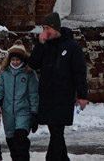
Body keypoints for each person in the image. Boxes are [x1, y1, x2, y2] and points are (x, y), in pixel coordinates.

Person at [29, 12, 88, 161]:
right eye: (43, 28)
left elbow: (79, 72)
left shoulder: (71, 46)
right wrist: (40, 44)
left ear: (55, 28)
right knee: (55, 131)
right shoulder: (45, 46)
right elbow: (33, 64)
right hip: (47, 95)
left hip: (63, 96)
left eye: (47, 28)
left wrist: (82, 95)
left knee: (57, 131)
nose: (45, 31)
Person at [0, 43, 39, 161]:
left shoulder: (29, 73)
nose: (15, 62)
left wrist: (35, 113)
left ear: (23, 60)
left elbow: (33, 94)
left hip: (23, 111)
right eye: (13, 59)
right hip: (8, 112)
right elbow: (0, 91)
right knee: (11, 141)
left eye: (18, 60)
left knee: (20, 139)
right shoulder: (5, 73)